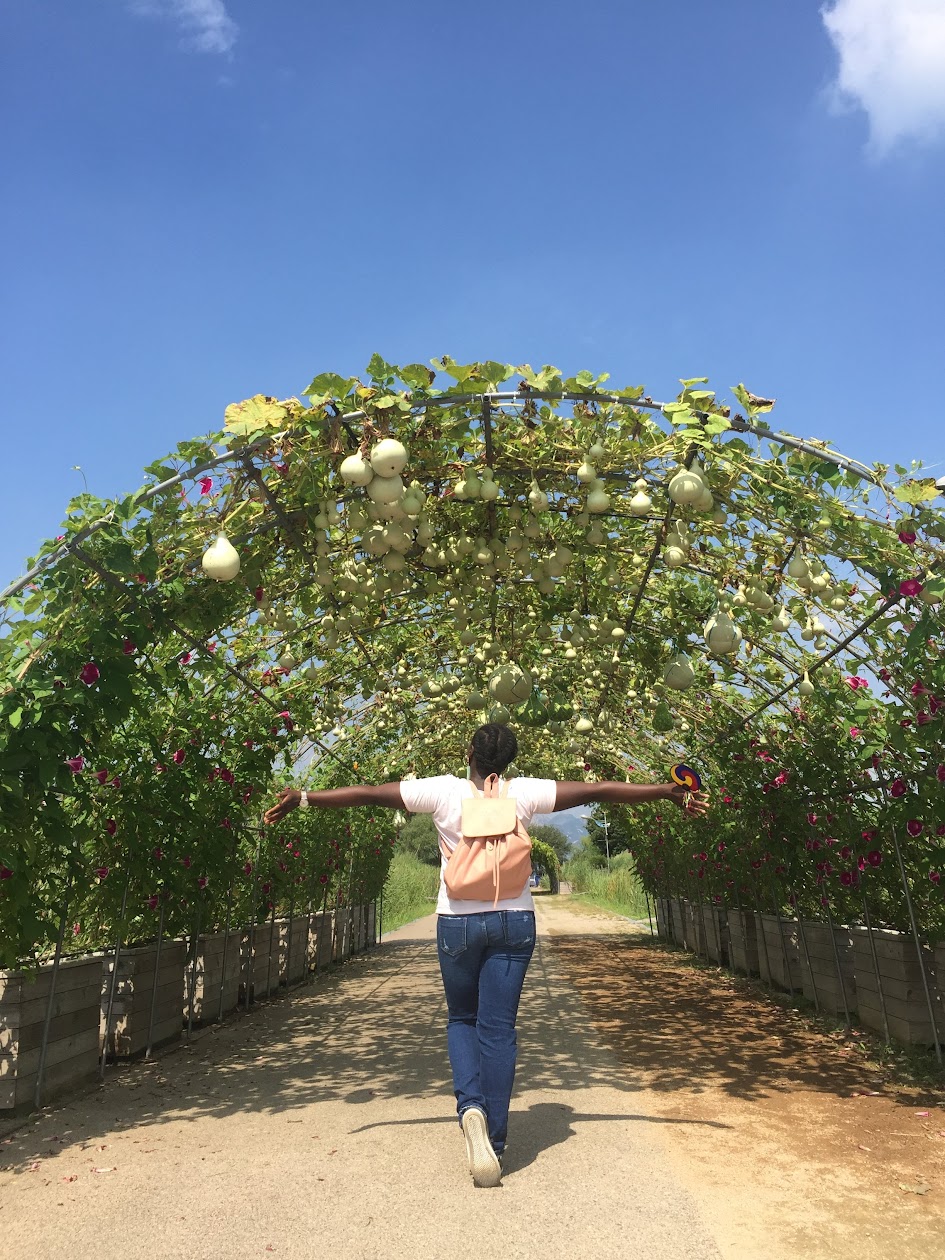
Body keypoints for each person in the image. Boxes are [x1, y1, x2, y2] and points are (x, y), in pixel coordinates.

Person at [263, 722, 708, 1187]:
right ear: (510, 760)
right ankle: (494, 1142)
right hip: (515, 921)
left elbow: (371, 795)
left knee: (462, 1019)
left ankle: (471, 1107)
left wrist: (304, 798)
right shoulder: (525, 793)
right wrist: (665, 791)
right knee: (499, 1029)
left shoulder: (443, 792)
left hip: (457, 921)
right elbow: (599, 790)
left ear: (469, 753)